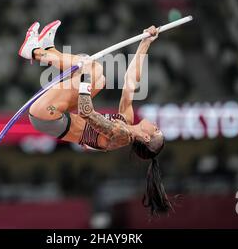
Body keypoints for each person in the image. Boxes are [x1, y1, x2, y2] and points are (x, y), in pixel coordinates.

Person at [19, 20, 172, 215]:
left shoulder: (121, 134)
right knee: (100, 78)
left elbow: (85, 112)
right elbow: (130, 82)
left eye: (157, 130)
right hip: (59, 116)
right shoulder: (126, 119)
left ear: (147, 138)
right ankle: (48, 48)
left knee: (92, 70)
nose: (156, 125)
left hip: (47, 116)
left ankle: (34, 51)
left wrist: (85, 82)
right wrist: (145, 43)